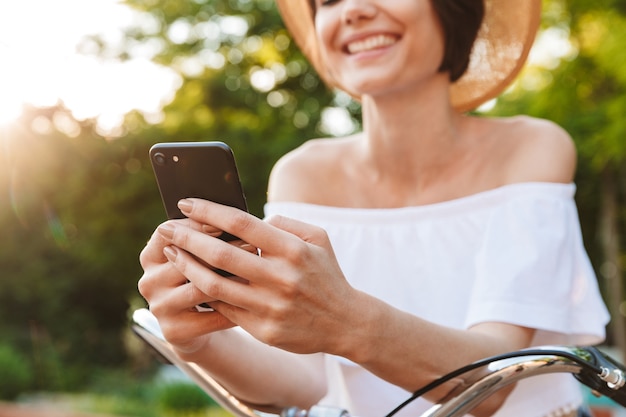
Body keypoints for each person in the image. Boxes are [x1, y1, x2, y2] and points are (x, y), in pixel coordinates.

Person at [138, 1, 610, 416]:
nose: (352, 10)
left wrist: (344, 320)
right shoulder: (302, 173)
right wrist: (204, 340)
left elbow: (489, 384)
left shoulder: (533, 148)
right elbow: (310, 383)